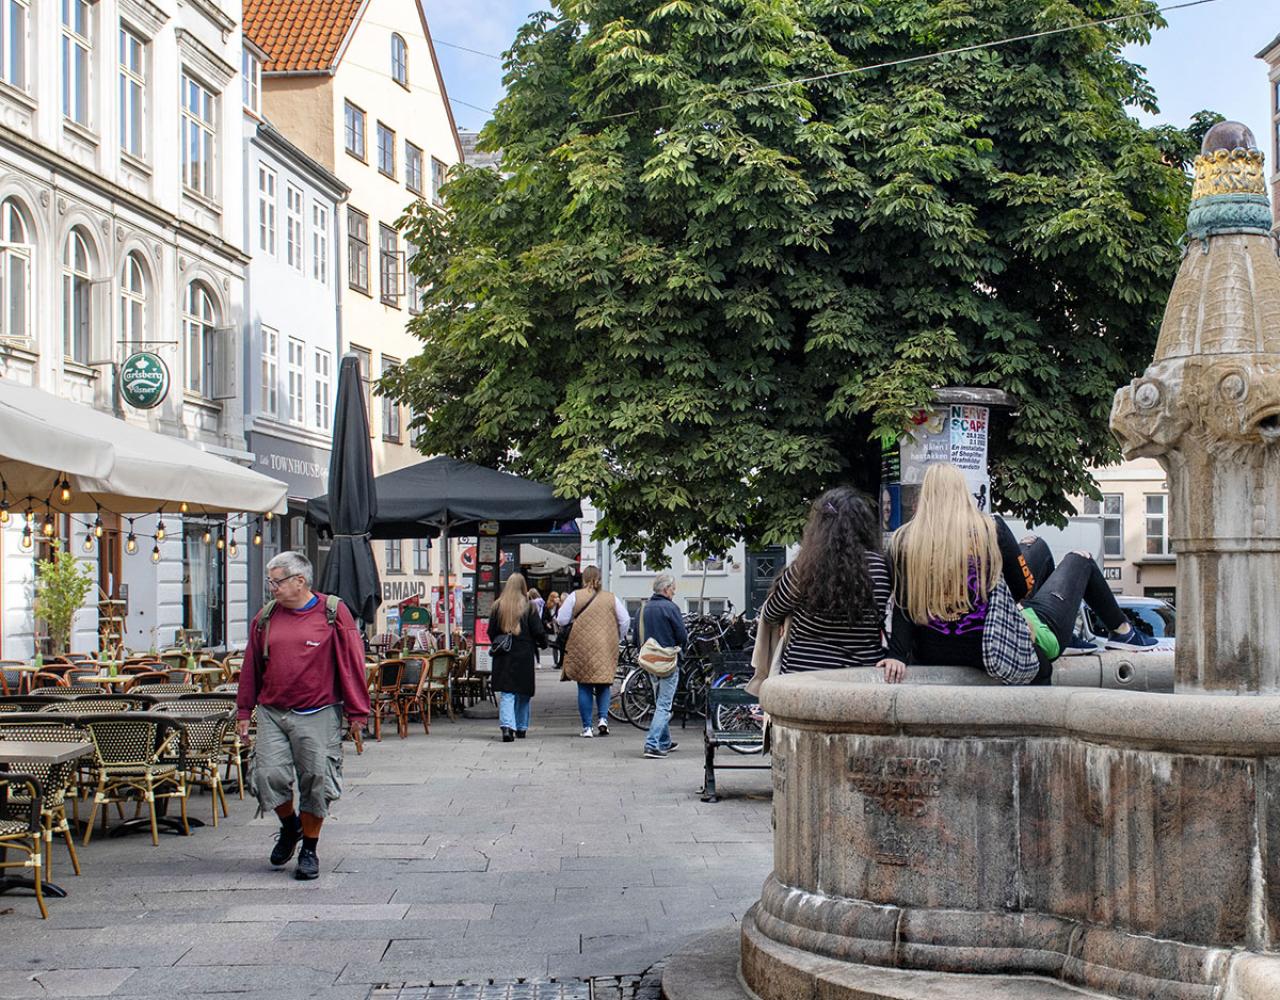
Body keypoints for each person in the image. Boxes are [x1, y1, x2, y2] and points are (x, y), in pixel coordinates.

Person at [879, 463, 1156, 685]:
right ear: (962, 494)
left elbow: (904, 605)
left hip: (931, 651)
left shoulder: (905, 542)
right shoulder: (990, 529)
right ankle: (1123, 631)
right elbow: (1022, 587)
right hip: (989, 645)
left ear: (924, 497)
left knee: (1035, 546)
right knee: (1079, 560)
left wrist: (896, 654)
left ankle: (1075, 632)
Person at [236, 552, 370, 880]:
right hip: (272, 711)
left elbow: (352, 665)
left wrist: (357, 712)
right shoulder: (265, 617)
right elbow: (251, 666)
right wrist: (244, 709)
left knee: (317, 779)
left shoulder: (333, 612)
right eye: (270, 581)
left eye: (277, 581)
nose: (272, 588)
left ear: (300, 580)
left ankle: (309, 847)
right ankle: (290, 826)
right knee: (267, 776)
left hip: (319, 710)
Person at [760, 487, 893, 672]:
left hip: (804, 675)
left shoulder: (804, 569)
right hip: (862, 677)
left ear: (820, 526)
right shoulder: (881, 568)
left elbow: (770, 612)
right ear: (864, 524)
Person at [557, 565, 630, 737]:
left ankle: (587, 727)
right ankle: (603, 719)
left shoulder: (575, 596)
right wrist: (617, 637)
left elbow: (561, 620)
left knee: (584, 685)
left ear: (584, 578)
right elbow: (625, 619)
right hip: (606, 645)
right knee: (604, 683)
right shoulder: (611, 598)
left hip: (581, 646)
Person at [489, 572, 547, 741]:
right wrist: (543, 643)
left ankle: (507, 727)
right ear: (523, 587)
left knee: (508, 693)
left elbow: (491, 632)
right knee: (524, 692)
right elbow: (538, 631)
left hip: (504, 655)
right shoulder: (529, 607)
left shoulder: (497, 607)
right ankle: (521, 727)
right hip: (524, 654)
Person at [639, 573, 689, 759]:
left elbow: (637, 635)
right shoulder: (671, 608)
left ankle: (665, 741)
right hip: (668, 662)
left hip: (650, 662)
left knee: (660, 700)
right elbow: (682, 636)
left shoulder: (644, 608)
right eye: (673, 589)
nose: (674, 592)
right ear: (666, 589)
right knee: (664, 705)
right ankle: (651, 744)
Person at [542, 591, 562, 668]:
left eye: (558, 597)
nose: (558, 598)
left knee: (560, 646)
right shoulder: (547, 607)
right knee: (555, 646)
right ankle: (556, 662)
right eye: (556, 597)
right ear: (552, 598)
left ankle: (560, 662)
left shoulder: (560, 606)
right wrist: (547, 623)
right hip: (552, 628)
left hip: (559, 627)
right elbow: (544, 618)